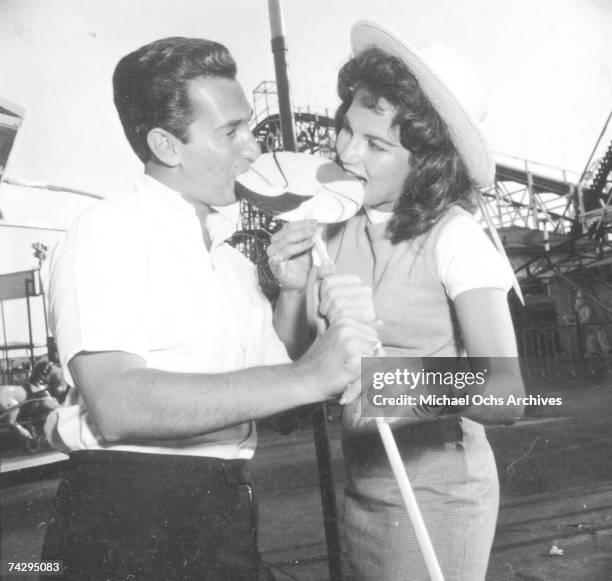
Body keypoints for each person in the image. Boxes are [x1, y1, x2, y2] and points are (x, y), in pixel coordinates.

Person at [41, 37, 380, 581]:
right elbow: (118, 403)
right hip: (128, 520)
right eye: (232, 132)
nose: (253, 150)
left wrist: (292, 293)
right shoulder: (107, 231)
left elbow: (285, 409)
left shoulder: (234, 265)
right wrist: (314, 373)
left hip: (222, 510)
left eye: (249, 125)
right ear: (167, 146)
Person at [269, 21, 525, 581]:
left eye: (377, 144)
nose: (347, 153)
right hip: (361, 492)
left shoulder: (455, 238)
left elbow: (508, 395)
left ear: (425, 161)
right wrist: (291, 290)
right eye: (347, 130)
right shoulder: (330, 230)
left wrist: (383, 381)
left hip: (438, 497)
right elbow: (297, 376)